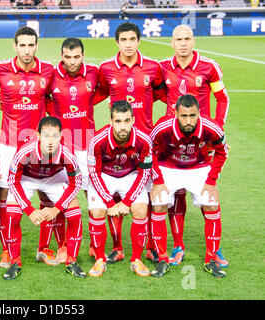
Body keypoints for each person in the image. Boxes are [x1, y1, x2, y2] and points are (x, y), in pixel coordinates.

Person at [158, 24, 230, 267]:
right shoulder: (163, 67)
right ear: (172, 42)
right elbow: (159, 93)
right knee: (176, 195)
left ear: (194, 40)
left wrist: (216, 126)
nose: (183, 43)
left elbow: (221, 97)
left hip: (201, 141)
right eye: (178, 39)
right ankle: (178, 245)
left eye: (187, 38)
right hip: (172, 141)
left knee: (207, 195)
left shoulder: (209, 67)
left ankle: (214, 250)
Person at [97, 22, 164, 264]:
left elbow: (162, 93)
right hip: (117, 141)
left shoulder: (152, 67)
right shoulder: (106, 68)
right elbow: (100, 93)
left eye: (132, 39)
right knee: (116, 198)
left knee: (144, 198)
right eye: (123, 40)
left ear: (138, 41)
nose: (128, 44)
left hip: (145, 141)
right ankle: (117, 247)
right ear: (117, 42)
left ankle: (149, 247)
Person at [0, 26, 54, 268]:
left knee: (45, 192)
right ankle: (7, 250)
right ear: (14, 46)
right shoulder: (1, 69)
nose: (27, 50)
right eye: (22, 45)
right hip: (9, 144)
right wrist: (5, 107)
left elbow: (51, 99)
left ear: (36, 46)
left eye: (31, 45)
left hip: (39, 146)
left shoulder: (47, 70)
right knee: (5, 195)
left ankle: (44, 248)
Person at [149, 94, 228, 278]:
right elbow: (149, 152)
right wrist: (158, 181)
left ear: (199, 113)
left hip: (198, 167)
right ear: (175, 113)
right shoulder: (163, 127)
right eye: (183, 116)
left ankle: (211, 258)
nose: (188, 121)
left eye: (192, 116)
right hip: (169, 166)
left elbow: (222, 153)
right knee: (159, 203)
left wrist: (211, 181)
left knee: (212, 203)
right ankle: (162, 259)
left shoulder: (211, 128)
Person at [40, 37, 100, 264]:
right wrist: (55, 112)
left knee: (92, 197)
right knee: (60, 198)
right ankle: (63, 245)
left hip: (87, 146)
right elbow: (41, 99)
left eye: (76, 57)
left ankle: (96, 246)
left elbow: (102, 92)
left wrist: (87, 107)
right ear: (61, 57)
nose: (72, 62)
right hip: (61, 148)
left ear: (83, 56)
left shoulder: (94, 73)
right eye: (67, 57)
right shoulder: (51, 75)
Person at [4, 117, 85, 280]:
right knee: (12, 214)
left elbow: (76, 184)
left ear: (61, 136)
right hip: (27, 178)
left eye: (55, 136)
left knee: (74, 212)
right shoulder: (25, 151)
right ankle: (15, 262)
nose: (50, 141)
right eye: (46, 135)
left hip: (53, 178)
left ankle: (72, 261)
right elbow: (13, 180)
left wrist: (57, 208)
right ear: (38, 135)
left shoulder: (67, 154)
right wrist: (29, 209)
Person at [87, 101, 152, 277]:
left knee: (140, 209)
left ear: (133, 121)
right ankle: (100, 259)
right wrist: (110, 202)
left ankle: (136, 259)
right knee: (97, 211)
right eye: (118, 121)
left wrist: (127, 201)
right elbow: (94, 174)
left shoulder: (144, 141)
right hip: (104, 176)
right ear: (110, 121)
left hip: (131, 176)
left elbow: (144, 174)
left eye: (126, 120)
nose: (122, 126)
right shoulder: (97, 141)